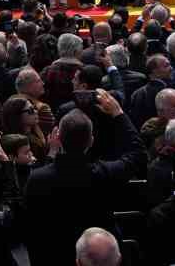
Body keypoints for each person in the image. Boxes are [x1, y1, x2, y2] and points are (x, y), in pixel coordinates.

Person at [22, 90, 145, 266]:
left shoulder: (37, 179)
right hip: (99, 257)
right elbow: (138, 155)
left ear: (58, 138)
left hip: (53, 257)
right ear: (91, 140)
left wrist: (51, 154)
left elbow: (30, 227)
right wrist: (119, 114)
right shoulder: (104, 173)